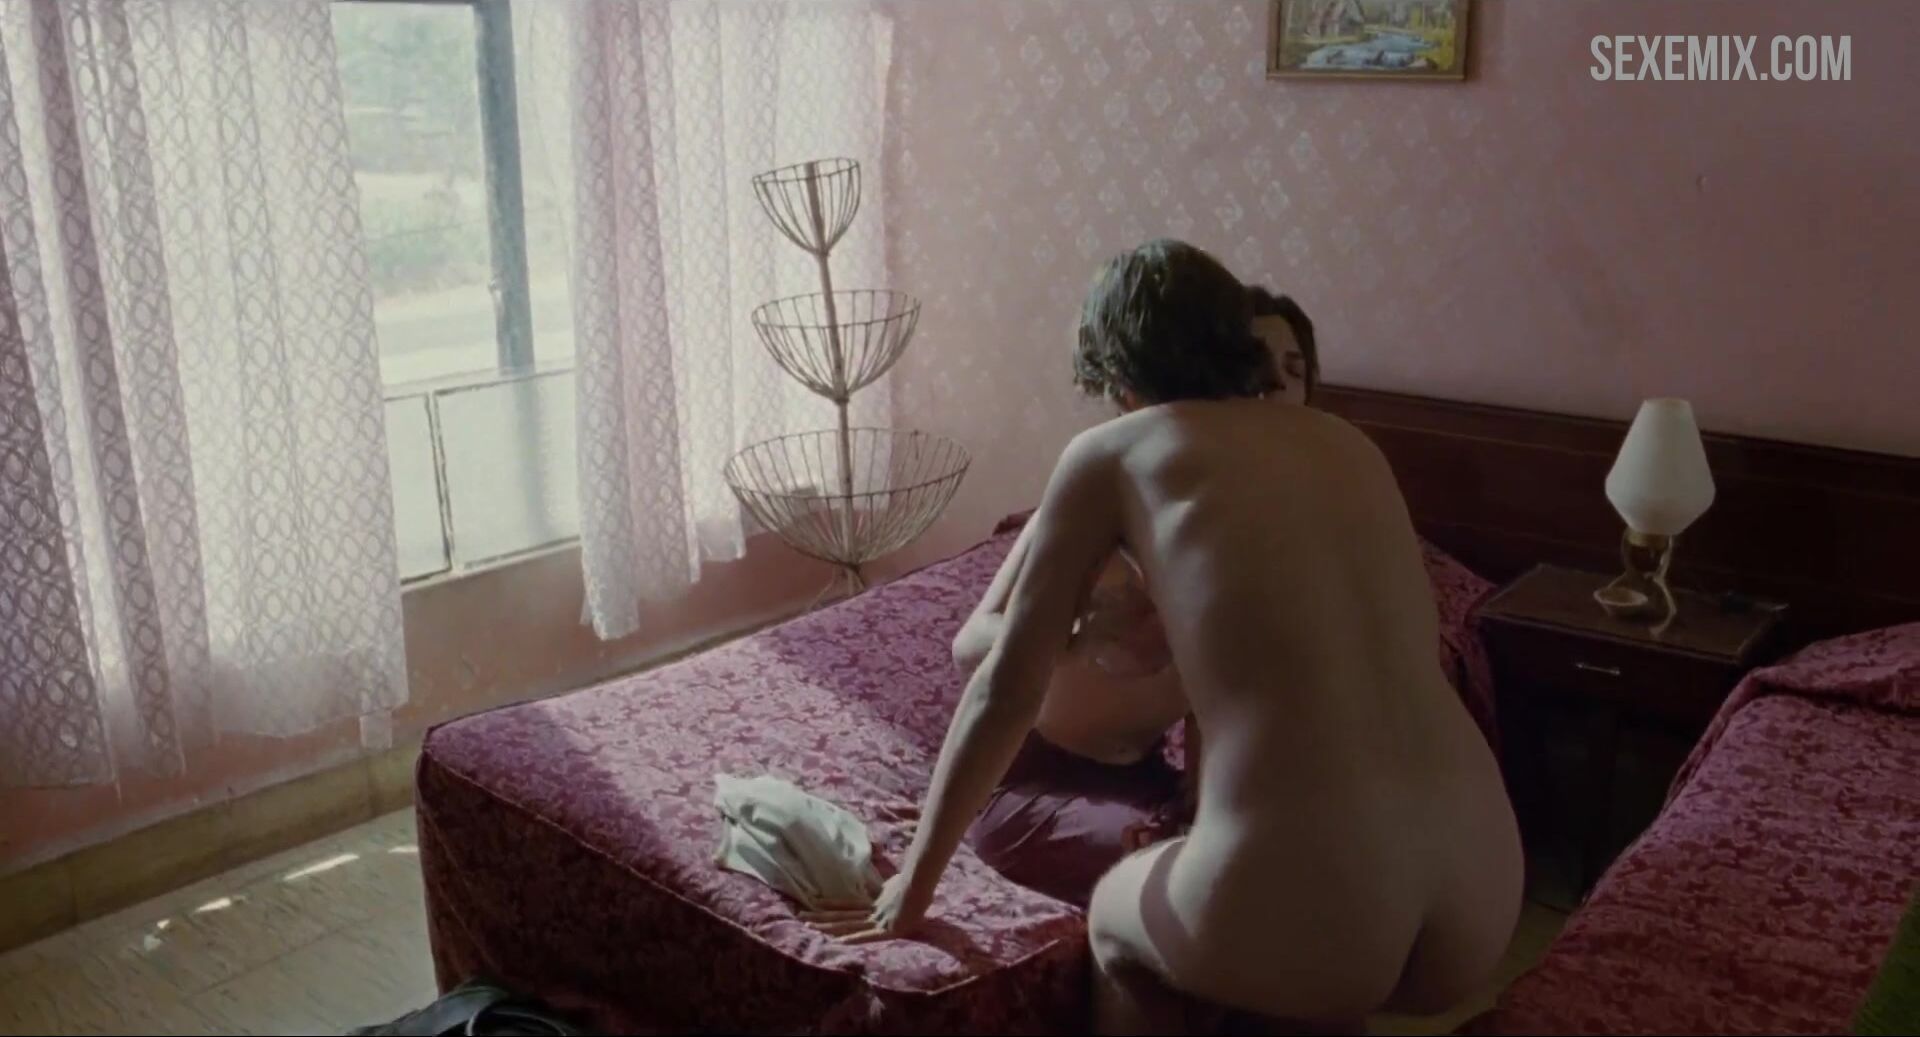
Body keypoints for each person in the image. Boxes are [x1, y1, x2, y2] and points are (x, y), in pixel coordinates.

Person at [807, 239, 1521, 1033]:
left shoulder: (1112, 451)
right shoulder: (1350, 447)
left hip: (1330, 906)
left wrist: (913, 887)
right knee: (1314, 966)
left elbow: (1004, 688)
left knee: (1120, 922)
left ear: (1118, 379)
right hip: (1482, 887)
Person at [947, 291, 1322, 909]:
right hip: (1028, 779)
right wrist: (1079, 637)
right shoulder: (1104, 493)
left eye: (1294, 370)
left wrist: (1207, 798)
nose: (1274, 387)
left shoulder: (1267, 533)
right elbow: (970, 647)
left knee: (1281, 851)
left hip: (1145, 779)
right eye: (1254, 365)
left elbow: (1216, 698)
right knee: (1211, 878)